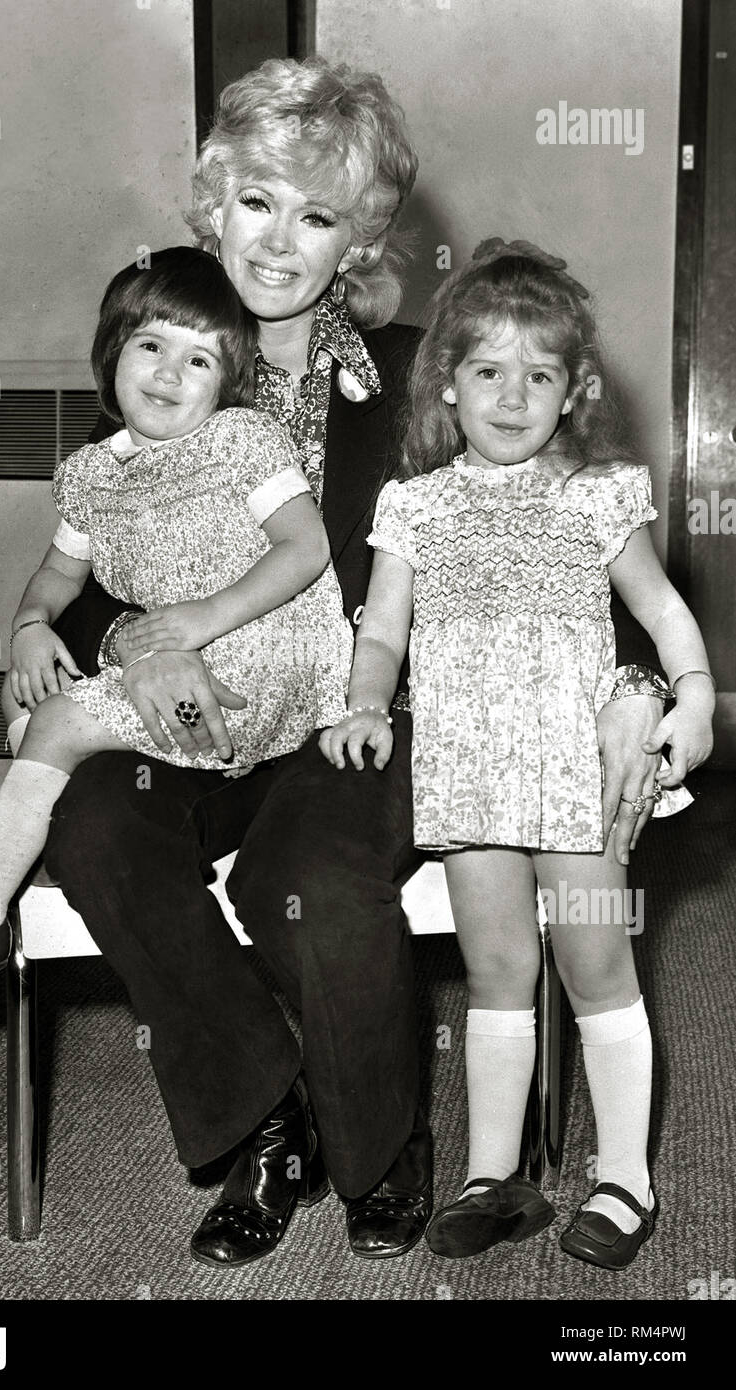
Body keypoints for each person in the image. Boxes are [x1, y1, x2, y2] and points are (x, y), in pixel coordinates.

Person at [0, 58, 670, 1268]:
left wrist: (637, 684)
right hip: (197, 714)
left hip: (363, 716)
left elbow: (564, 525)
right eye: (258, 202)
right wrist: (105, 636)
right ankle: (264, 1115)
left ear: (359, 234)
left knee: (310, 870)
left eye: (317, 214)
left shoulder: (426, 376)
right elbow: (89, 573)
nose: (279, 240)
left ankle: (378, 1148)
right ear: (209, 206)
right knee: (97, 825)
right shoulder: (157, 346)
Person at [321, 238, 714, 1271]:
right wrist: (365, 700)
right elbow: (381, 632)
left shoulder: (598, 493)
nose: (510, 394)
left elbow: (662, 610)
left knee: (595, 968)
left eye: (537, 374)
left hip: (576, 781)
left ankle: (622, 1174)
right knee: (495, 970)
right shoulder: (414, 504)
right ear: (446, 380)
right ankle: (493, 1177)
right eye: (486, 369)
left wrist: (697, 694)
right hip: (467, 774)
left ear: (571, 389)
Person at [0, 246, 351, 971]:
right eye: (152, 345)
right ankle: (23, 841)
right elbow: (58, 571)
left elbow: (304, 548)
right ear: (112, 350)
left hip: (259, 662)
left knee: (55, 724)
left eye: (200, 361)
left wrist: (203, 617)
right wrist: (28, 628)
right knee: (25, 700)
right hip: (177, 667)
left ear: (225, 386)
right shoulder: (92, 474)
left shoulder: (242, 442)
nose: (169, 374)